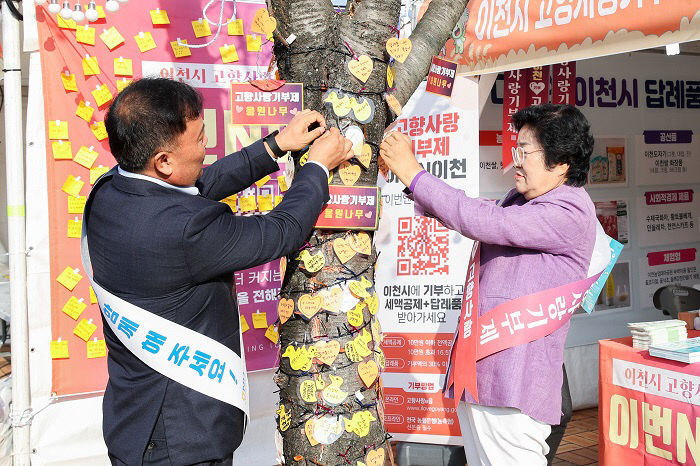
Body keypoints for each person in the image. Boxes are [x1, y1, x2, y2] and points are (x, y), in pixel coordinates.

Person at [85, 77, 353, 466]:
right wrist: (316, 167)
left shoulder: (112, 190)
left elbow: (199, 185)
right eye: (199, 139)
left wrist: (275, 146)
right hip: (181, 438)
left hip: (135, 421)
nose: (206, 149)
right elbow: (281, 231)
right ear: (163, 160)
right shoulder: (184, 230)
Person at [379, 104, 596, 466]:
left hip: (514, 380)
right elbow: (477, 214)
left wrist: (415, 174)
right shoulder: (529, 201)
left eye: (525, 151)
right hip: (486, 376)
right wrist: (411, 179)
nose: (516, 161)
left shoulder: (569, 209)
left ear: (561, 163)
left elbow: (488, 221)